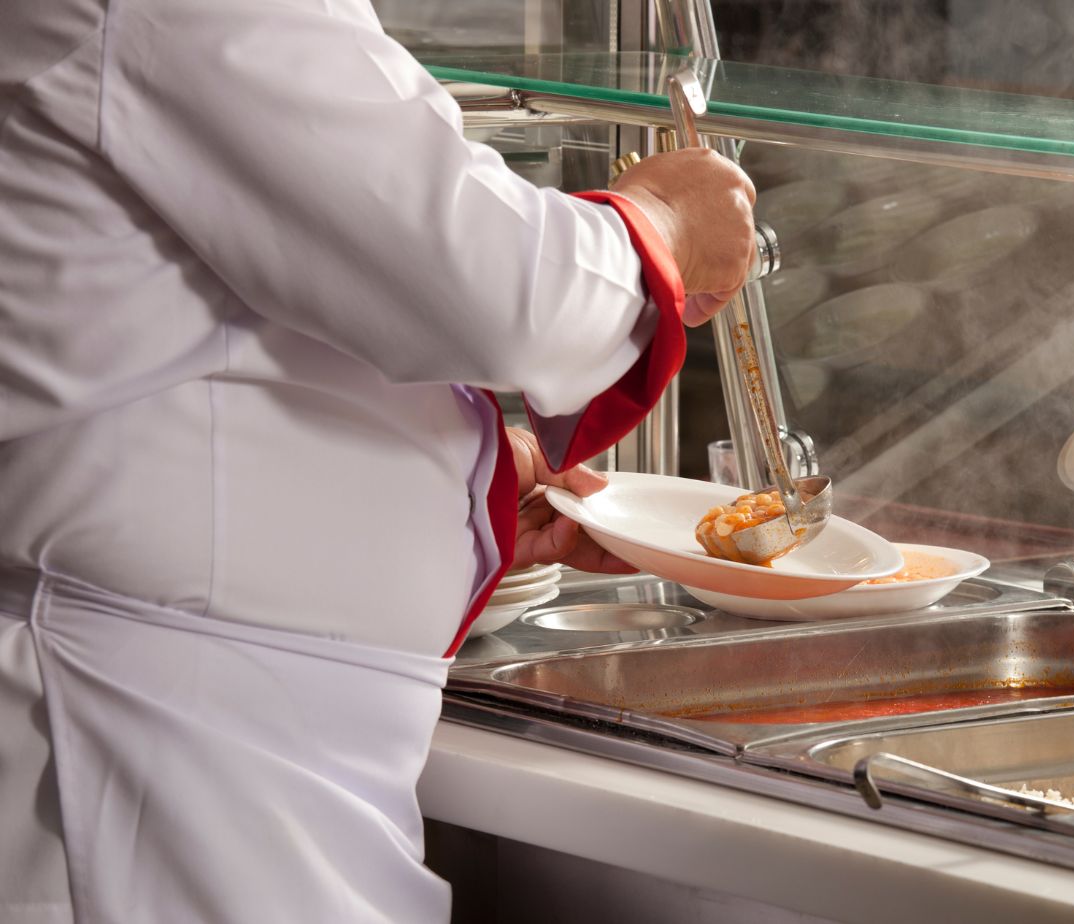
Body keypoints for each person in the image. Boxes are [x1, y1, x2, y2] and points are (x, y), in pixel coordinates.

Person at [0, 0, 756, 921]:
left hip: (211, 724)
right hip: (152, 739)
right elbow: (491, 287)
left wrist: (463, 489)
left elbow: (207, 326)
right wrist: (665, 225)